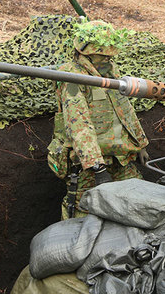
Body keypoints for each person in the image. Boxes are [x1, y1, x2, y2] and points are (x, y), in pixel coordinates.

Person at [47, 20, 149, 219]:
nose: (107, 60)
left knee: (135, 202)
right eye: (102, 56)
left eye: (110, 56)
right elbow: (79, 125)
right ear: (86, 52)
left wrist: (140, 143)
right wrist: (97, 167)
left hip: (119, 157)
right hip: (89, 165)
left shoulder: (109, 71)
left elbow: (125, 108)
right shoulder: (73, 78)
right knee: (85, 212)